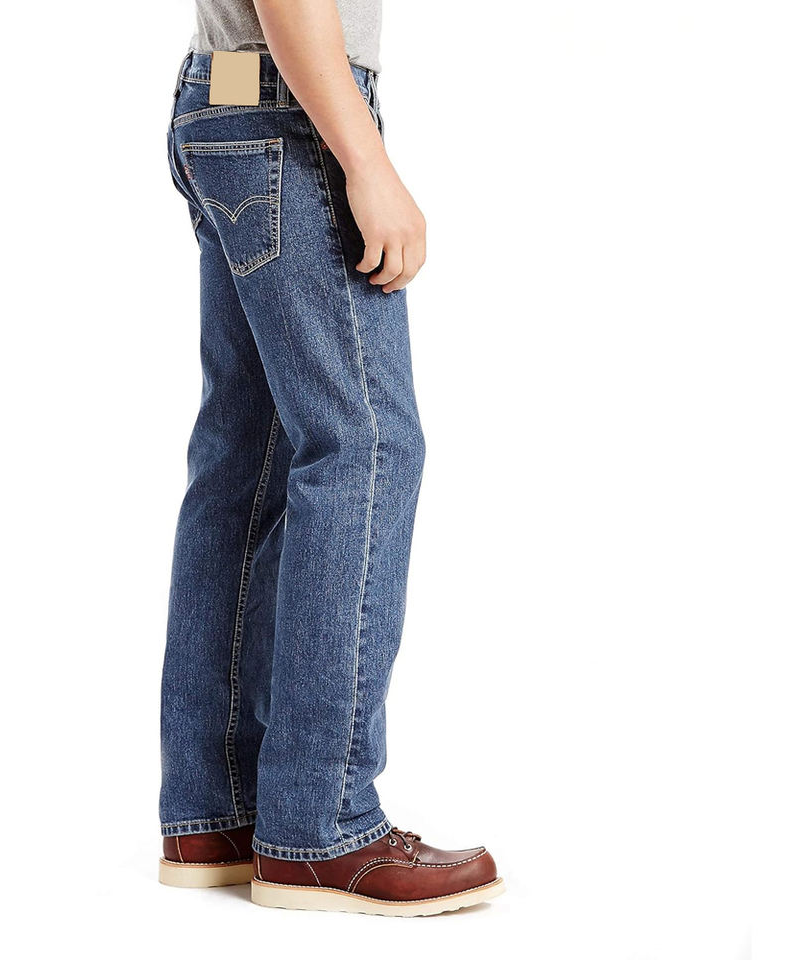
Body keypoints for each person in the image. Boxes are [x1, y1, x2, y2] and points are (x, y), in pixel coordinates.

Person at [158, 0, 503, 916]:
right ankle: (323, 824)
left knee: (246, 459)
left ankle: (215, 811)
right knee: (366, 445)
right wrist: (366, 159)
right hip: (293, 112)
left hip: (231, 101)